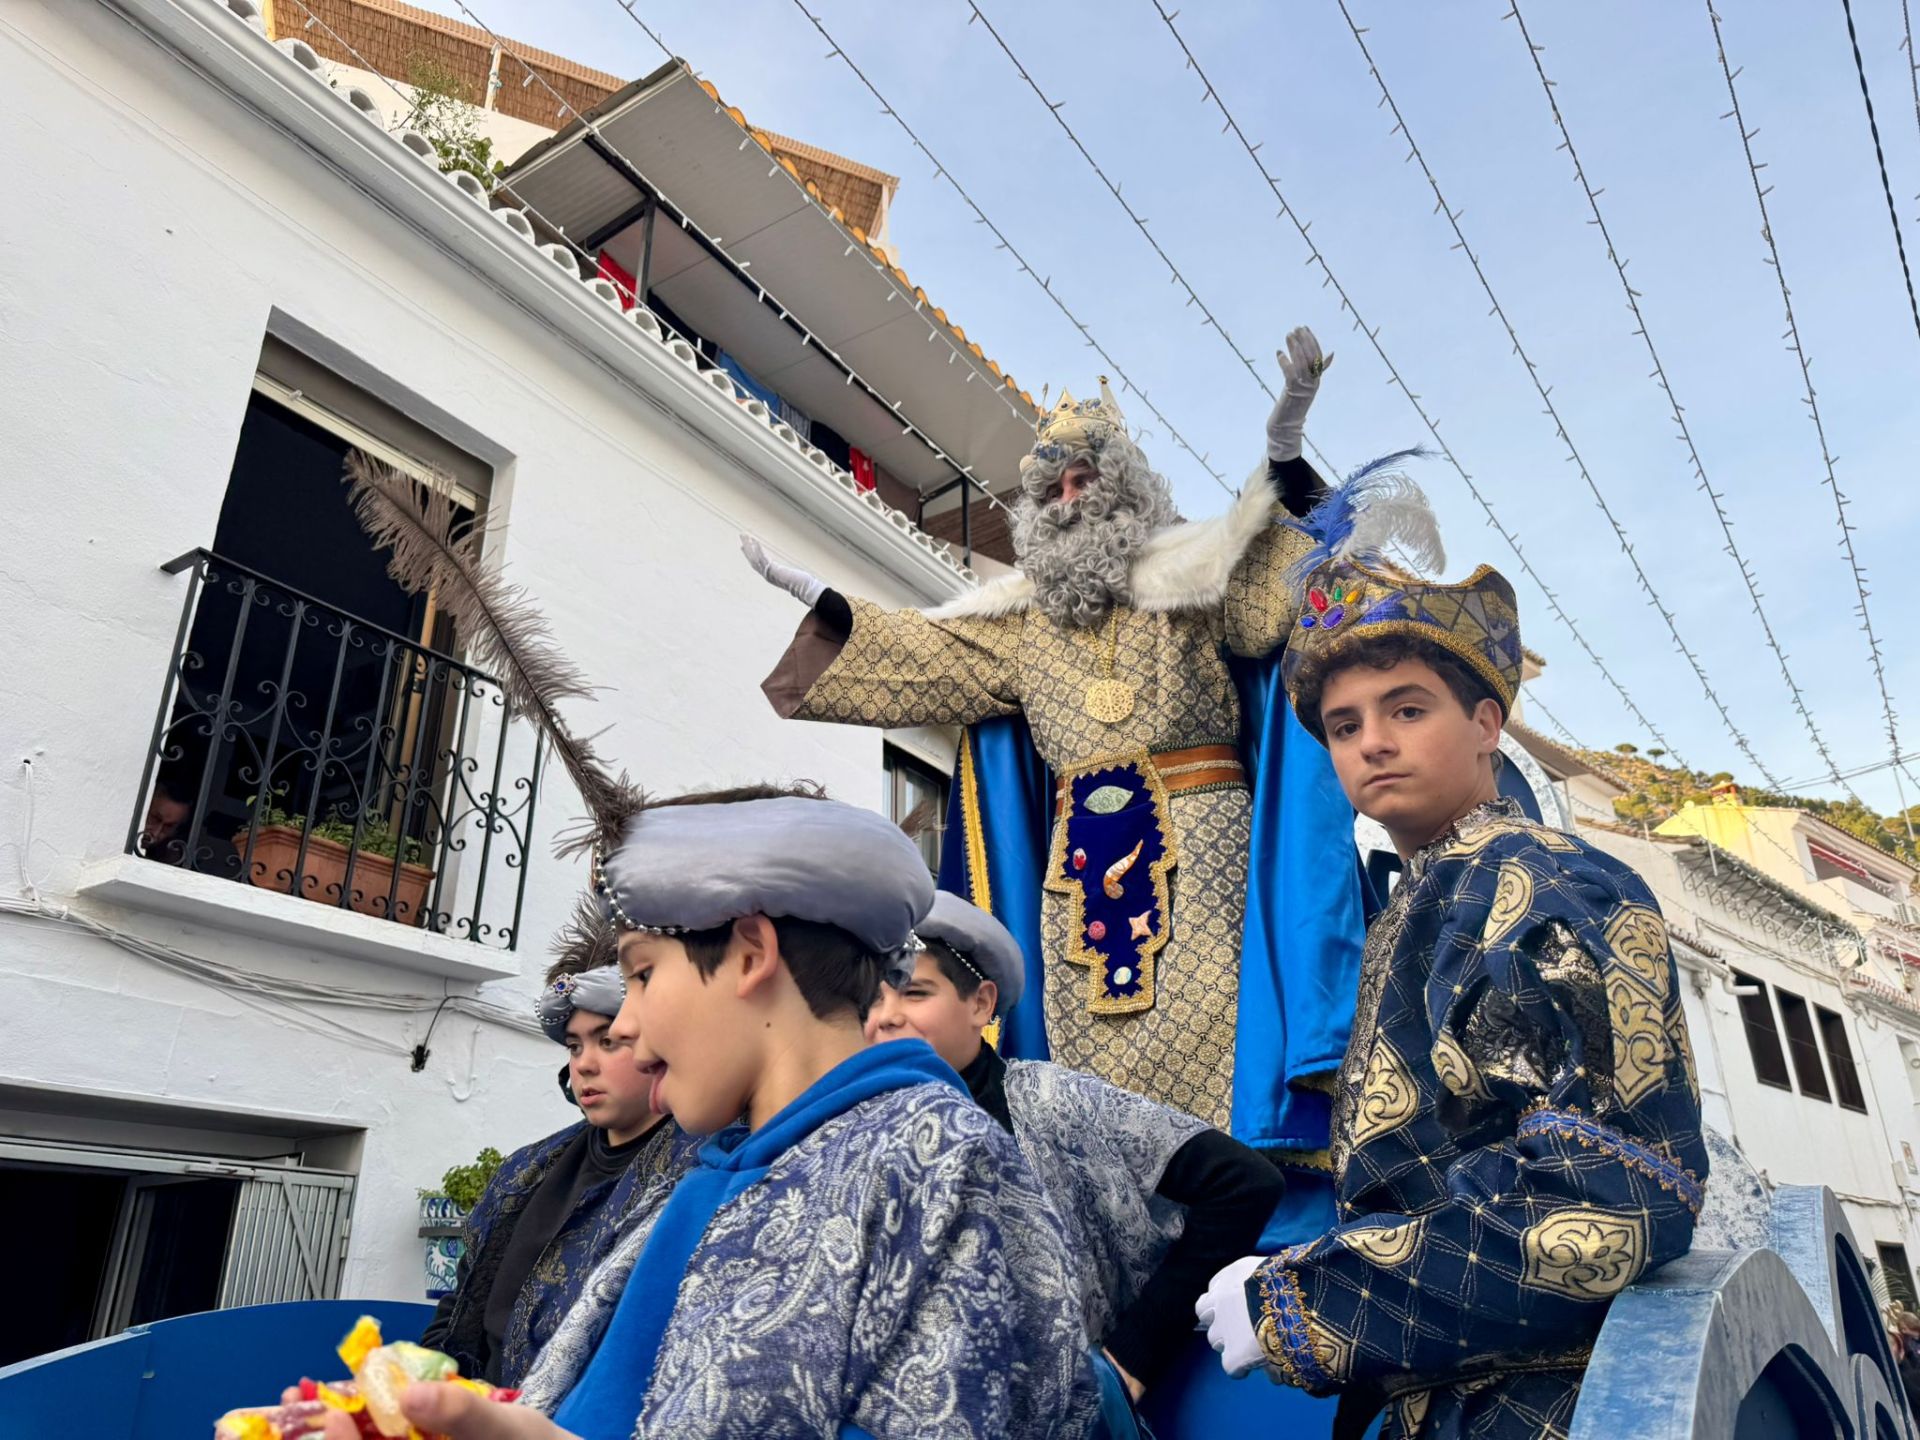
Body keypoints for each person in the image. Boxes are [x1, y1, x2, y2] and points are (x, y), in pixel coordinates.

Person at [748, 329, 1367, 1152]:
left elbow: (1289, 600)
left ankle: (1236, 1195)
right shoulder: (1019, 625)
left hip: (1202, 847)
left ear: (1129, 487)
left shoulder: (1198, 571)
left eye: (1087, 478)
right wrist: (825, 600)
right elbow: (927, 652)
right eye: (1054, 487)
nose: (1070, 496)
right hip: (1075, 877)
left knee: (1217, 1018)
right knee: (1089, 1056)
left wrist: (1284, 459)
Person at [1196, 472, 1708, 1439]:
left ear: (1486, 723)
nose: (1372, 743)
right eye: (1344, 728)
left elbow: (1619, 1191)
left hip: (1550, 1402)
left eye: (1407, 709)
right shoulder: (1413, 902)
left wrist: (1315, 1300)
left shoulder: (1552, 882)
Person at [867, 890, 1305, 1417]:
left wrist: (1132, 1357)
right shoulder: (854, 1125)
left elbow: (1244, 1184)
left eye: (914, 992)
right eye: (874, 998)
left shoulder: (1050, 1102)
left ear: (980, 1003)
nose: (887, 1017)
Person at [419, 898, 680, 1387]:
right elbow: (461, 1307)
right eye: (574, 1045)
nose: (584, 1063)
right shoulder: (528, 1170)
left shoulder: (693, 1171)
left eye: (608, 1041)